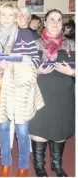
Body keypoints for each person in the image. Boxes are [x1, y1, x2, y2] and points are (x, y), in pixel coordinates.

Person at [0, 3, 43, 177]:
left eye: (11, 15)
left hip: (21, 87)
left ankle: (23, 164)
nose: (6, 18)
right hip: (3, 87)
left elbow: (35, 60)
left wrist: (12, 64)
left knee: (21, 129)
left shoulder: (24, 33)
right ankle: (5, 163)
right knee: (3, 127)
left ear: (16, 18)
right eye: (3, 14)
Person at [29, 9, 75, 177]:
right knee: (39, 126)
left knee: (59, 127)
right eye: (52, 19)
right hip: (40, 94)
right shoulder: (34, 44)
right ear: (45, 23)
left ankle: (57, 164)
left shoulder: (72, 44)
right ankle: (39, 166)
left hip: (63, 95)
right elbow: (23, 71)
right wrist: (37, 71)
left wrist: (72, 73)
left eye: (59, 20)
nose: (56, 23)